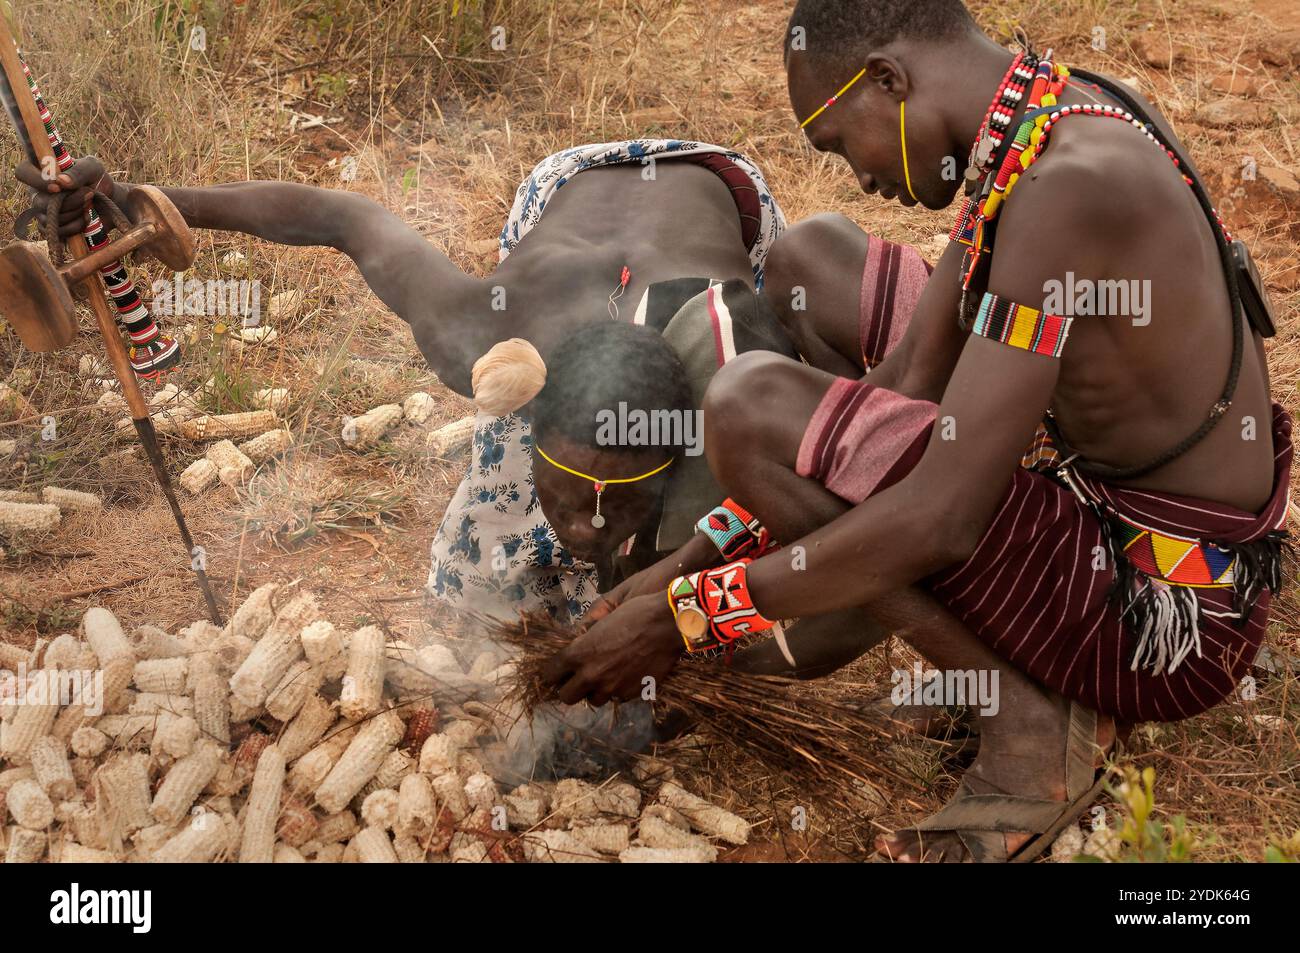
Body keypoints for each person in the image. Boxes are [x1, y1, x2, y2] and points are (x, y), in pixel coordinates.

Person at [541, 0, 1291, 862]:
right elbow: (906, 382)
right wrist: (690, 560)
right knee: (809, 261)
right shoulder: (1040, 109)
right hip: (1086, 476)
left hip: (1165, 607)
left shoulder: (1064, 188)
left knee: (748, 408)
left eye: (837, 142)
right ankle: (948, 637)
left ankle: (1029, 731)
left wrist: (689, 617)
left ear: (890, 80)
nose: (857, 176)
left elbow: (943, 515)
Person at [17, 139, 808, 625]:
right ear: (524, 412)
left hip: (719, 192)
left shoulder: (736, 374)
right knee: (478, 571)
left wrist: (659, 587)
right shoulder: (479, 331)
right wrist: (136, 203)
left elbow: (776, 522)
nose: (590, 526)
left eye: (624, 498)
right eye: (569, 499)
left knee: (692, 555)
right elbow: (343, 218)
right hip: (573, 186)